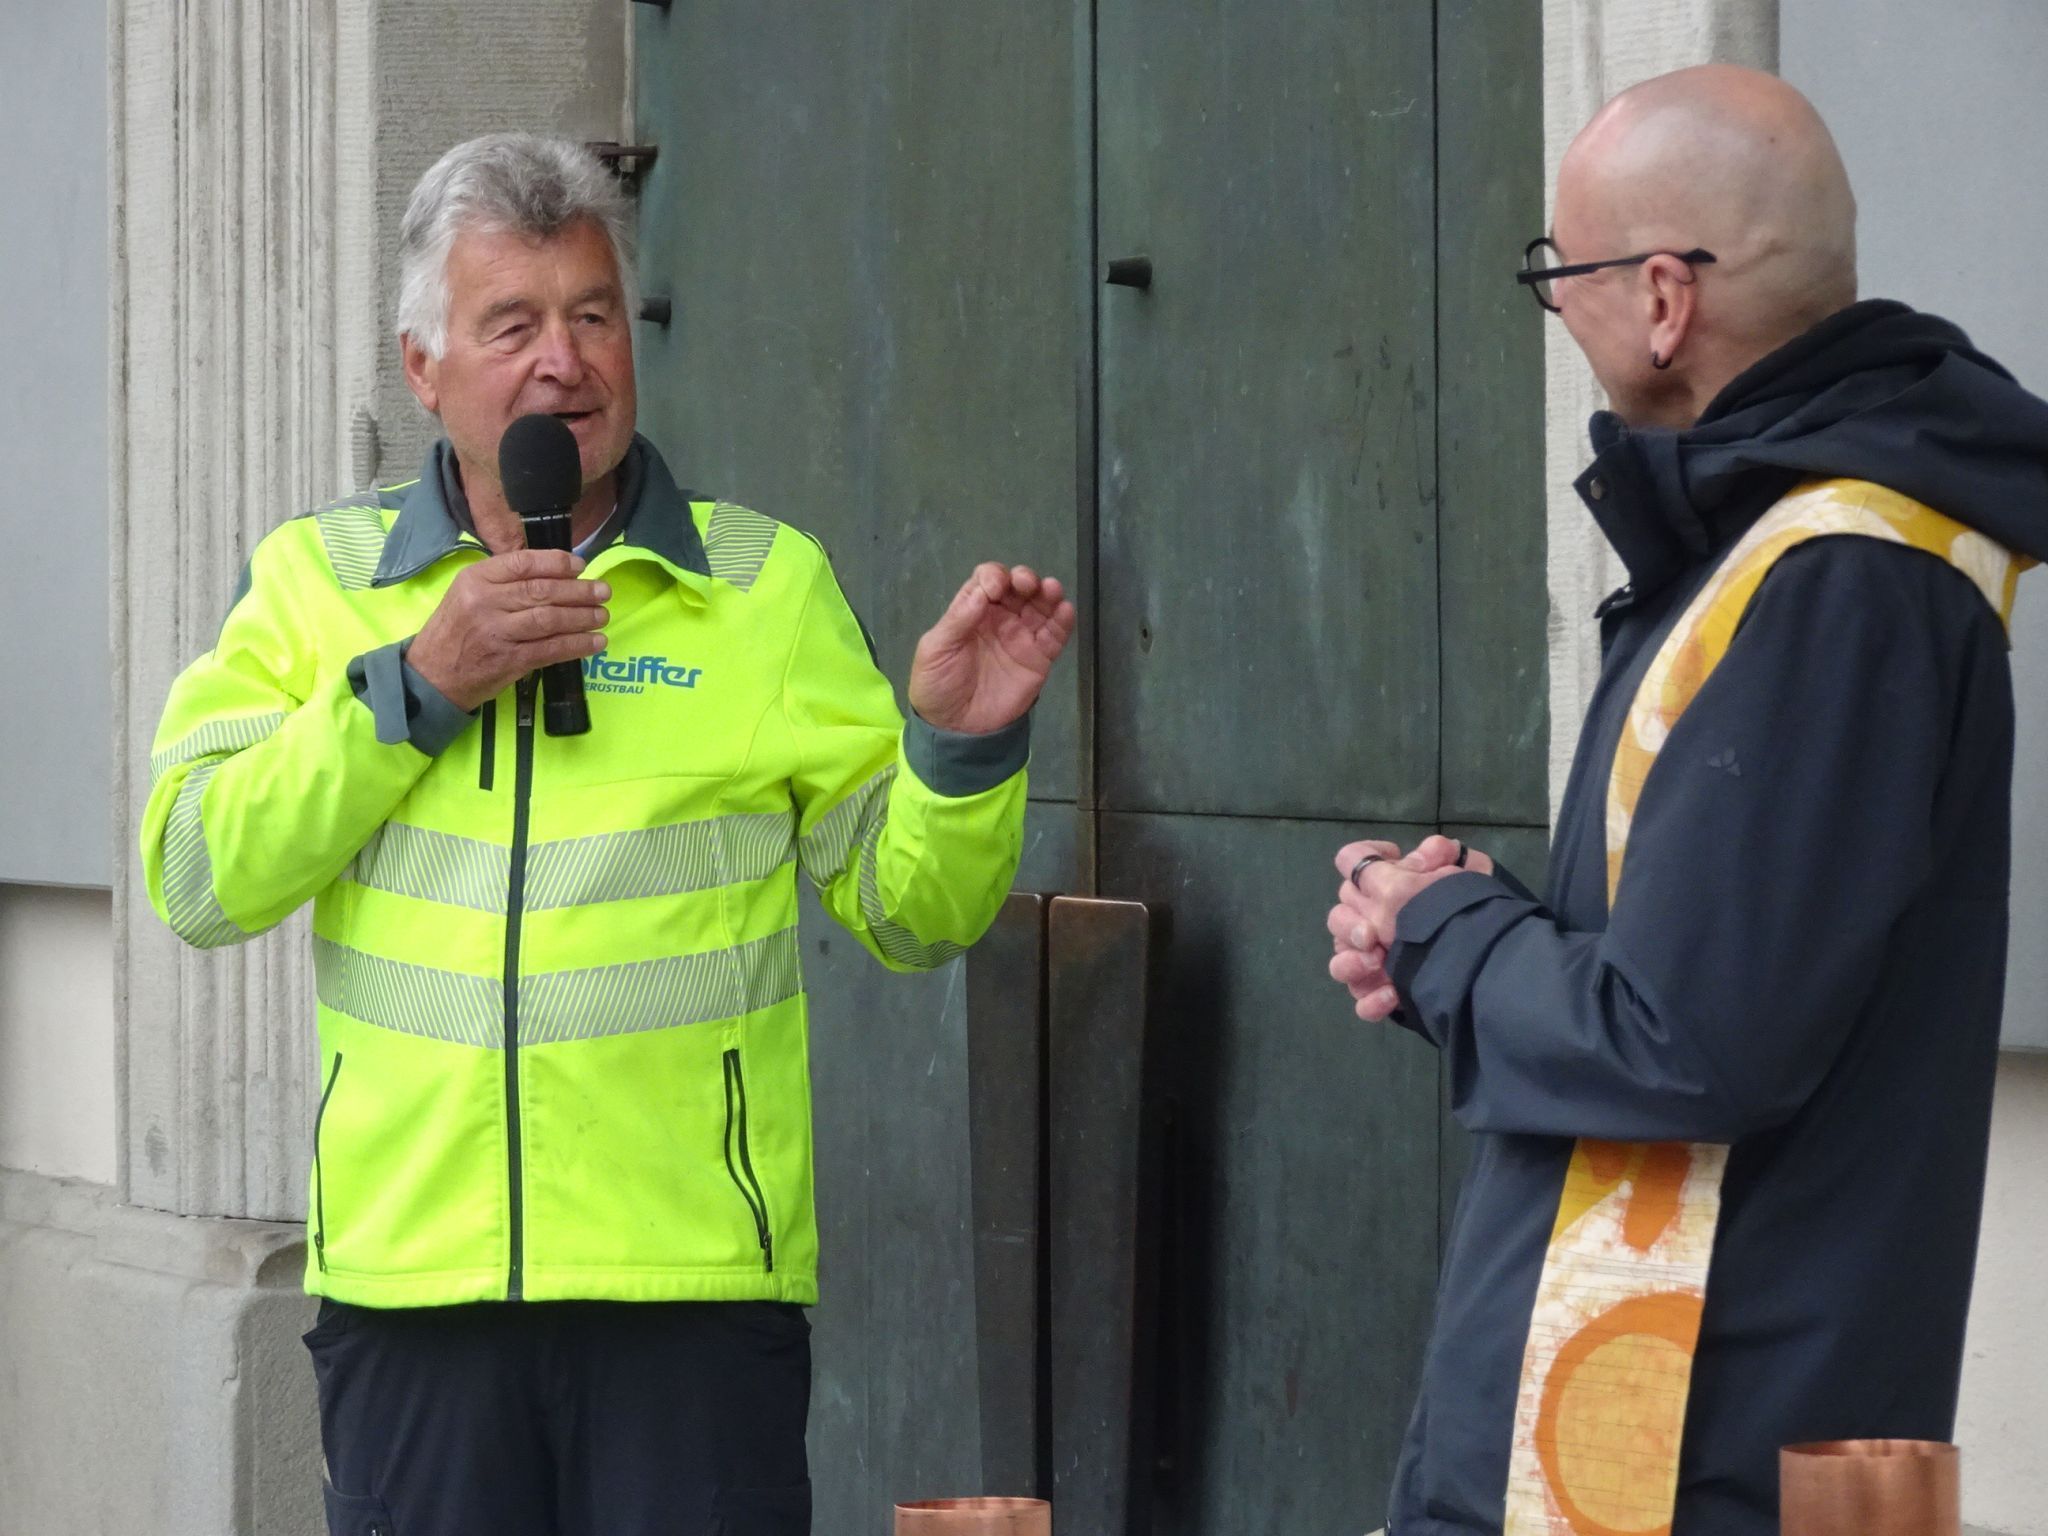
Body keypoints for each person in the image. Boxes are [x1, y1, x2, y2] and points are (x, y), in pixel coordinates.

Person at [142, 133, 1074, 1536]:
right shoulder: (312, 587)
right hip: (417, 1293)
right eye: (511, 324)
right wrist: (410, 689)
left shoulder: (762, 588)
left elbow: (914, 910)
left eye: (592, 316)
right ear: (423, 369)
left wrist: (957, 746)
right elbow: (198, 873)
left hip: (690, 1300)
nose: (561, 363)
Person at [1329, 65, 2048, 1536]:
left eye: (1559, 271)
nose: (1558, 306)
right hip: (1675, 1436)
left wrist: (1452, 939)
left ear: (1663, 296)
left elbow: (1686, 1045)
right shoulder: (1786, 550)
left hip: (1685, 1458)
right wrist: (1442, 958)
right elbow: (1686, 990)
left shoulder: (1836, 581)